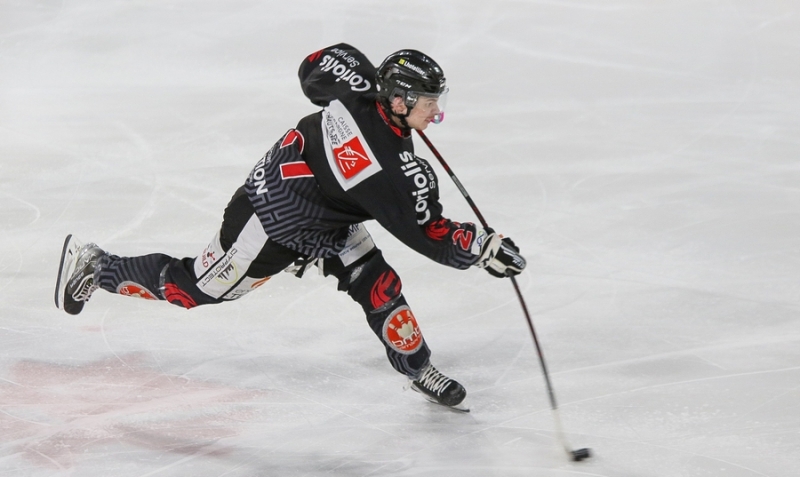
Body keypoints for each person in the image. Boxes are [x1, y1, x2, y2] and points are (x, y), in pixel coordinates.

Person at [55, 44, 526, 412]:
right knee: (195, 290)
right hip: (272, 220)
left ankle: (419, 368)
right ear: (399, 99)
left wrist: (362, 73)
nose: (436, 111)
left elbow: (314, 67)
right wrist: (484, 248)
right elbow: (428, 233)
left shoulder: (360, 92)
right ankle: (96, 267)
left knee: (379, 286)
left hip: (326, 212)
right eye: (428, 102)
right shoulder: (392, 173)